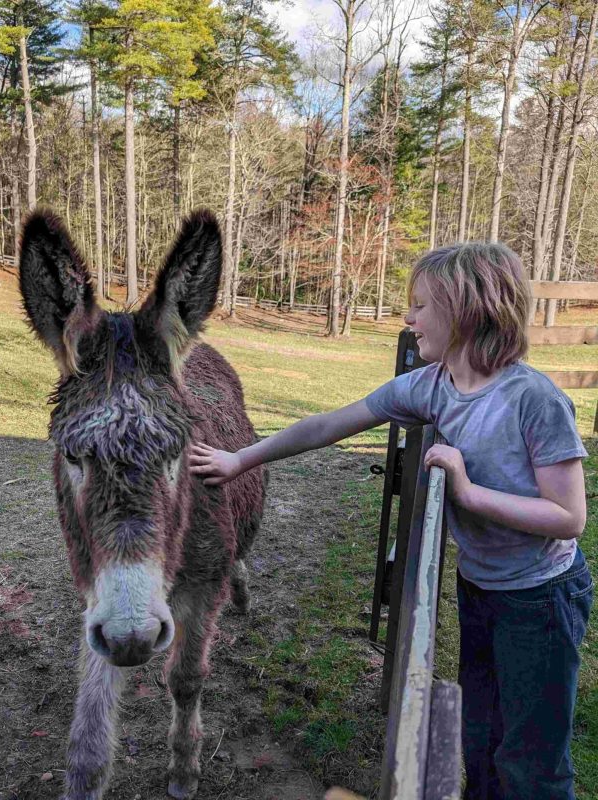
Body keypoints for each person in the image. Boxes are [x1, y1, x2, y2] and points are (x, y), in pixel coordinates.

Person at [189, 242, 591, 800]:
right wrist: (240, 459)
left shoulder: (534, 400)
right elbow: (329, 425)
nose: (408, 318)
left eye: (421, 305)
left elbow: (568, 517)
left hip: (542, 599)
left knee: (532, 760)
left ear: (465, 308)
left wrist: (468, 492)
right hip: (480, 589)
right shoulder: (431, 387)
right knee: (482, 740)